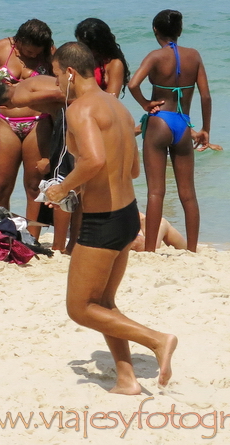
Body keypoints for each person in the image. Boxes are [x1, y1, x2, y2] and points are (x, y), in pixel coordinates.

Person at [44, 42, 177, 394]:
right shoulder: (119, 108)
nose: (55, 83)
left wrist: (62, 189)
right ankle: (127, 379)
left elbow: (94, 160)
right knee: (103, 303)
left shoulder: (80, 110)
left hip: (103, 222)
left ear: (71, 73)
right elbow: (132, 169)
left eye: (57, 75)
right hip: (128, 215)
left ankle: (158, 340)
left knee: (79, 308)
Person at [126, 10, 213, 253]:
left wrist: (145, 103)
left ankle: (151, 249)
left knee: (156, 192)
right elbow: (206, 95)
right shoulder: (193, 56)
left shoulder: (155, 56)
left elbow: (133, 84)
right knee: (188, 193)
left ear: (155, 30)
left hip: (158, 121)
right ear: (180, 30)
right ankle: (193, 249)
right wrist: (205, 128)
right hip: (183, 122)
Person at [0, 20, 56, 228]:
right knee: (1, 186)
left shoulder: (49, 54)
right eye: (28, 52)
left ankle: (32, 236)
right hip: (6, 123)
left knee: (34, 186)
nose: (33, 56)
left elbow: (61, 88)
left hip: (39, 122)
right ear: (19, 41)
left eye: (36, 53)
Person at [0, 73, 71, 247]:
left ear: (2, 105)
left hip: (66, 119)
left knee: (60, 183)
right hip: (63, 119)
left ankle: (57, 245)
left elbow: (61, 95)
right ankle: (62, 243)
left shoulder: (19, 97)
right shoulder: (22, 86)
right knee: (60, 183)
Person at [74, 18, 130, 97]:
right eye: (80, 44)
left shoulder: (114, 64)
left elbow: (112, 97)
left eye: (89, 46)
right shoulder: (78, 60)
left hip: (100, 107)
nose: (84, 49)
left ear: (100, 44)